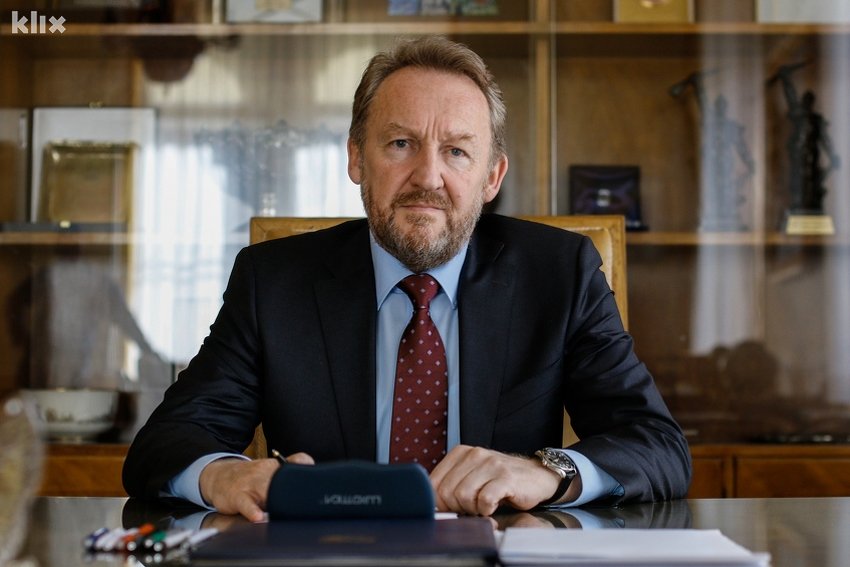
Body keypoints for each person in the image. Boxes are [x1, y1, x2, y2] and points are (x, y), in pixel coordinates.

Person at [123, 36, 691, 521]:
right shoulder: (274, 281)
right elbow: (165, 444)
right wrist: (220, 475)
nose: (428, 177)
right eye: (401, 144)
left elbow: (657, 445)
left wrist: (547, 472)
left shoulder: (559, 273)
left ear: (492, 178)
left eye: (457, 151)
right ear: (356, 159)